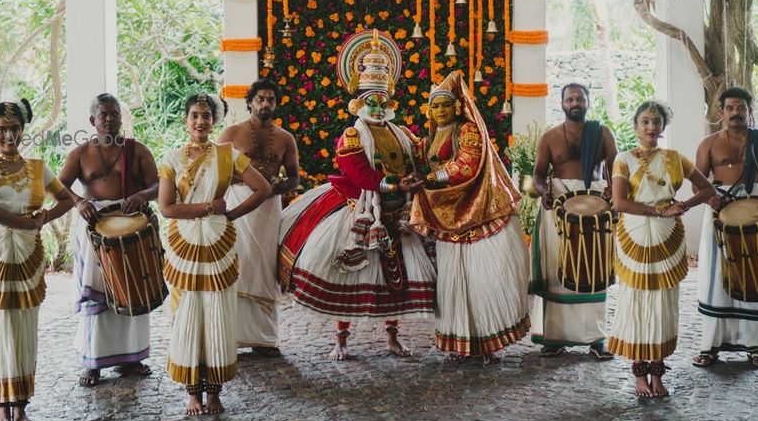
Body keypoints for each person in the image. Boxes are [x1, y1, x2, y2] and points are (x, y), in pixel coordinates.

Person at [278, 30, 436, 360]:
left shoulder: (402, 133)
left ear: (390, 103)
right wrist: (397, 184)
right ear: (358, 104)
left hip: (398, 212)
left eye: (383, 102)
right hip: (362, 209)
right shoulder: (352, 135)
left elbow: (420, 156)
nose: (377, 108)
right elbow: (359, 174)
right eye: (371, 102)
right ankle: (341, 339)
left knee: (395, 279)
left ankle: (392, 337)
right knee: (350, 276)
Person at [0, 100, 74, 421]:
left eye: (14, 129)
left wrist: (45, 217)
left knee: (24, 322)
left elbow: (66, 198)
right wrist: (29, 223)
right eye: (2, 130)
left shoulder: (38, 168)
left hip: (26, 253)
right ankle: (0, 405)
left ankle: (21, 404)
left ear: (23, 131)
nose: (9, 136)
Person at [158, 93, 272, 415]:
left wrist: (231, 214)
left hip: (219, 242)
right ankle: (193, 392)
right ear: (185, 120)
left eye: (206, 116)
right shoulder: (171, 159)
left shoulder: (227, 155)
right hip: (184, 244)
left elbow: (263, 188)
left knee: (217, 312)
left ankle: (214, 392)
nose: (200, 121)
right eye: (194, 115)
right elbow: (167, 208)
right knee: (188, 311)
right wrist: (210, 208)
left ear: (214, 121)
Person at [409, 71, 530, 364]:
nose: (440, 110)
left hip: (481, 212)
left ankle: (488, 342)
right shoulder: (426, 141)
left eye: (445, 105)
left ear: (456, 107)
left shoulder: (468, 131)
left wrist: (432, 178)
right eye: (435, 106)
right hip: (448, 218)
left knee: (483, 279)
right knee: (452, 282)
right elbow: (415, 163)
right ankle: (460, 342)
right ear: (429, 110)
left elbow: (466, 166)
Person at [610, 100, 714, 398]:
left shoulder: (675, 158)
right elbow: (620, 202)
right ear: (635, 126)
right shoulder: (623, 159)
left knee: (663, 302)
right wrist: (658, 211)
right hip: (635, 234)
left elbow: (708, 189)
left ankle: (658, 373)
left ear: (663, 126)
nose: (651, 127)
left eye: (656, 121)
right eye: (645, 121)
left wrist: (683, 205)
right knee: (637, 301)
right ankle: (640, 376)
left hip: (668, 235)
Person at [58, 93, 159, 387]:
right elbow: (58, 185)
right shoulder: (80, 153)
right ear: (93, 120)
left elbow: (158, 185)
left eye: (115, 113)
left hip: (131, 224)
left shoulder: (137, 150)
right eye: (104, 114)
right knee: (98, 294)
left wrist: (142, 195)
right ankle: (92, 362)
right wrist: (79, 202)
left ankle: (131, 357)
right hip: (95, 226)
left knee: (132, 288)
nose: (110, 119)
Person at [691, 87, 758, 370]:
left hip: (756, 214)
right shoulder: (708, 144)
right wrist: (710, 199)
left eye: (741, 107)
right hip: (720, 212)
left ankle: (756, 348)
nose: (736, 112)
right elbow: (697, 183)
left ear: (749, 110)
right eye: (730, 107)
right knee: (716, 279)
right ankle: (710, 347)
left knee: (756, 276)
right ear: (721, 112)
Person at [530, 83, 618, 358]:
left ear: (588, 102)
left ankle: (596, 338)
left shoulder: (602, 133)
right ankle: (555, 337)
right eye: (570, 99)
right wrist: (544, 193)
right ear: (562, 104)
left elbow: (615, 168)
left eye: (580, 98)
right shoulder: (549, 137)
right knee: (558, 268)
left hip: (594, 203)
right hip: (558, 204)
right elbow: (538, 175)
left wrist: (613, 190)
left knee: (593, 268)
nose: (575, 102)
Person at [218, 79, 299, 357]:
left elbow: (294, 178)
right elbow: (215, 172)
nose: (265, 104)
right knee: (237, 264)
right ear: (250, 102)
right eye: (260, 99)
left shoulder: (285, 138)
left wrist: (275, 188)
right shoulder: (231, 133)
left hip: (269, 208)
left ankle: (264, 340)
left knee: (265, 268)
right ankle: (230, 338)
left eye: (270, 99)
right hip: (238, 203)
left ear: (276, 104)